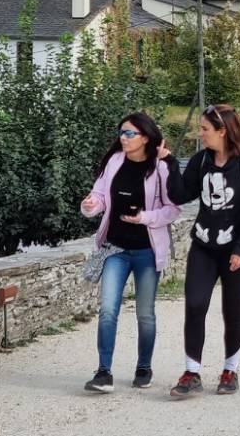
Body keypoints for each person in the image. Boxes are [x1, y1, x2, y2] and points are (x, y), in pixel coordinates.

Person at [165, 104, 240, 398]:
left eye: (205, 129)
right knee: (195, 305)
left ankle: (230, 370)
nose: (201, 134)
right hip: (204, 246)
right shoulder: (201, 161)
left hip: (237, 252)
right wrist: (170, 161)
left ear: (223, 131)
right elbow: (180, 194)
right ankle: (191, 371)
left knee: (232, 311)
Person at [80, 112, 182, 393]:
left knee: (145, 313)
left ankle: (144, 367)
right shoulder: (114, 162)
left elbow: (173, 209)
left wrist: (145, 218)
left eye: (129, 134)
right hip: (115, 248)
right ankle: (103, 372)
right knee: (108, 310)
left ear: (146, 137)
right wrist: (91, 205)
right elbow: (99, 196)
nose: (123, 138)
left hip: (147, 252)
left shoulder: (159, 168)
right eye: (121, 133)